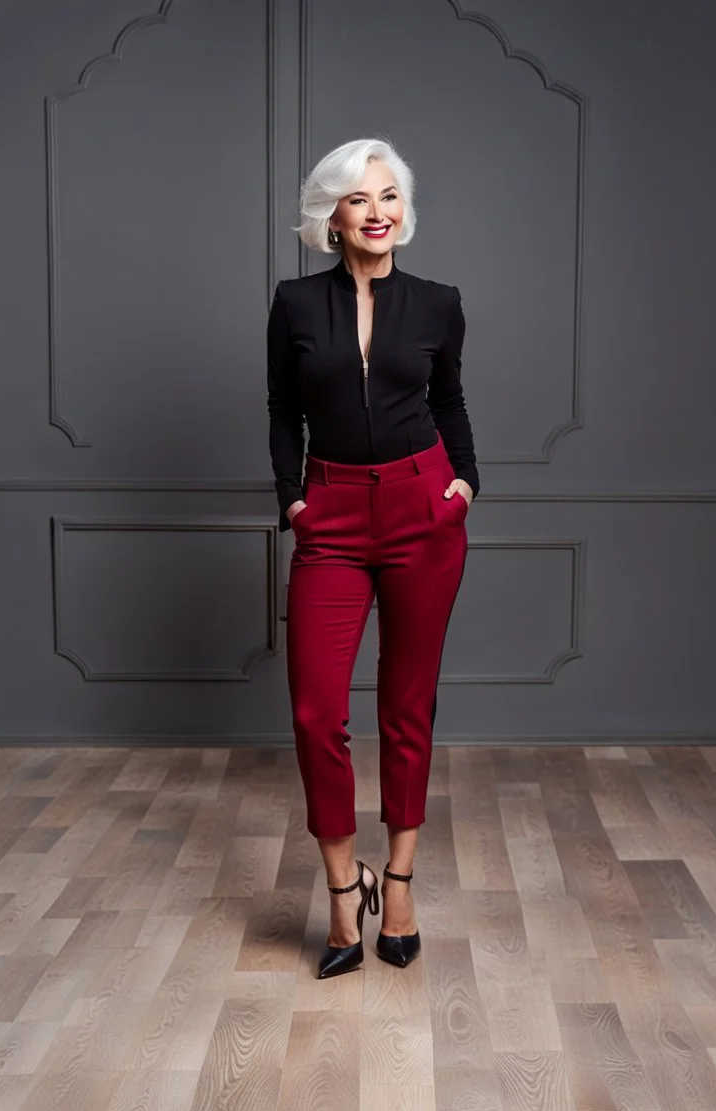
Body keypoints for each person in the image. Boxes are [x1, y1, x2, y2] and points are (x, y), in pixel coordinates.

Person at [267, 137, 479, 979]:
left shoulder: (437, 302)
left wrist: (465, 483)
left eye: (389, 196)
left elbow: (450, 398)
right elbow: (284, 409)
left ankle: (398, 883)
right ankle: (339, 894)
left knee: (407, 705)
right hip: (334, 513)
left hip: (424, 506)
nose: (378, 211)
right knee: (318, 711)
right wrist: (293, 498)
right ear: (333, 215)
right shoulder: (293, 302)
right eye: (360, 199)